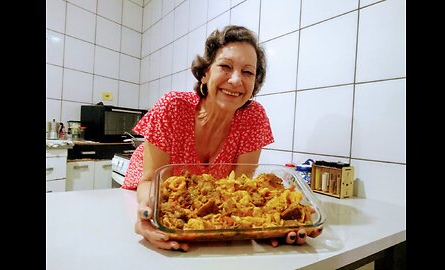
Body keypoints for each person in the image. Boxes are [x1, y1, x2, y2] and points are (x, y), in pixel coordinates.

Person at [122, 25, 322, 251]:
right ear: (206, 73)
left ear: (254, 84)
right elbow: (151, 182)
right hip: (144, 194)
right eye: (225, 66)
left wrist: (275, 222)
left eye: (248, 72)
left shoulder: (253, 118)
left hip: (202, 215)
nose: (236, 80)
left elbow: (242, 192)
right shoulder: (172, 107)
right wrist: (148, 213)